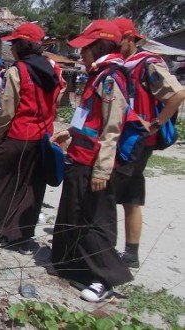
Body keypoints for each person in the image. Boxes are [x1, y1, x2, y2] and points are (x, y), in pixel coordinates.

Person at [50, 20, 133, 302]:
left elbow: (112, 127)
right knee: (73, 214)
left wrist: (102, 168)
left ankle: (104, 278)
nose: (81, 55)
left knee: (97, 221)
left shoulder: (111, 78)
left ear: (97, 47)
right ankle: (73, 267)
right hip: (80, 156)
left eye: (84, 49)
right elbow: (89, 116)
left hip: (95, 162)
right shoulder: (98, 76)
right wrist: (69, 133)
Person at [0, 23, 65, 254]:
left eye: (14, 44)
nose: (11, 49)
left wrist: (2, 135)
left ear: (23, 45)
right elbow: (58, 98)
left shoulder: (17, 71)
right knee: (29, 185)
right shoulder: (53, 69)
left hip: (19, 134)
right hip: (42, 135)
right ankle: (21, 234)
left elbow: (8, 110)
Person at [111, 17, 185, 268]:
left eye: (117, 39)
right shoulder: (124, 64)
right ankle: (130, 254)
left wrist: (157, 122)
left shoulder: (147, 64)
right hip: (128, 139)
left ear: (131, 38)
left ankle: (116, 251)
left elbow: (178, 94)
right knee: (130, 195)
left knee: (114, 192)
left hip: (137, 142)